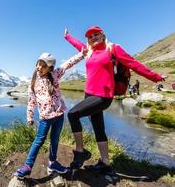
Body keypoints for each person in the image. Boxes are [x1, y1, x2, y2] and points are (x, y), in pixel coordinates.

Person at [64, 26, 165, 174]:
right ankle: (105, 163)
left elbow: (133, 64)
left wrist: (155, 77)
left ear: (102, 35)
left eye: (95, 35)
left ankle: (81, 152)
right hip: (88, 95)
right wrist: (67, 37)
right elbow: (78, 44)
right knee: (99, 128)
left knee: (72, 114)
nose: (92, 38)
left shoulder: (113, 48)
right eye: (90, 36)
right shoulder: (89, 50)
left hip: (103, 96)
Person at [14, 51, 85, 179]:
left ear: (50, 68)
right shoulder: (33, 83)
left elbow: (68, 63)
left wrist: (82, 54)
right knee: (38, 141)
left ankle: (52, 162)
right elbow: (31, 102)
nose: (40, 67)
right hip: (45, 118)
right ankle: (27, 166)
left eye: (44, 66)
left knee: (55, 139)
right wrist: (29, 117)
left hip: (59, 115)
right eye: (38, 64)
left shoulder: (55, 74)